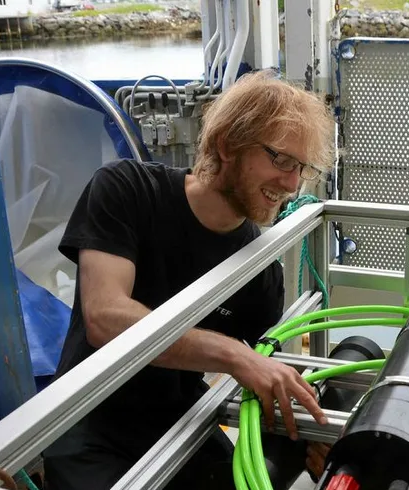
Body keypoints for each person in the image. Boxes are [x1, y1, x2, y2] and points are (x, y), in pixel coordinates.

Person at [41, 70, 337, 490]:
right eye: (280, 159)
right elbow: (105, 317)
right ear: (227, 144)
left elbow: (259, 372)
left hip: (179, 424)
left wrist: (311, 435)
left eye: (301, 169)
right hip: (88, 423)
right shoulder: (127, 190)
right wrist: (234, 355)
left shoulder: (260, 272)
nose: (290, 184)